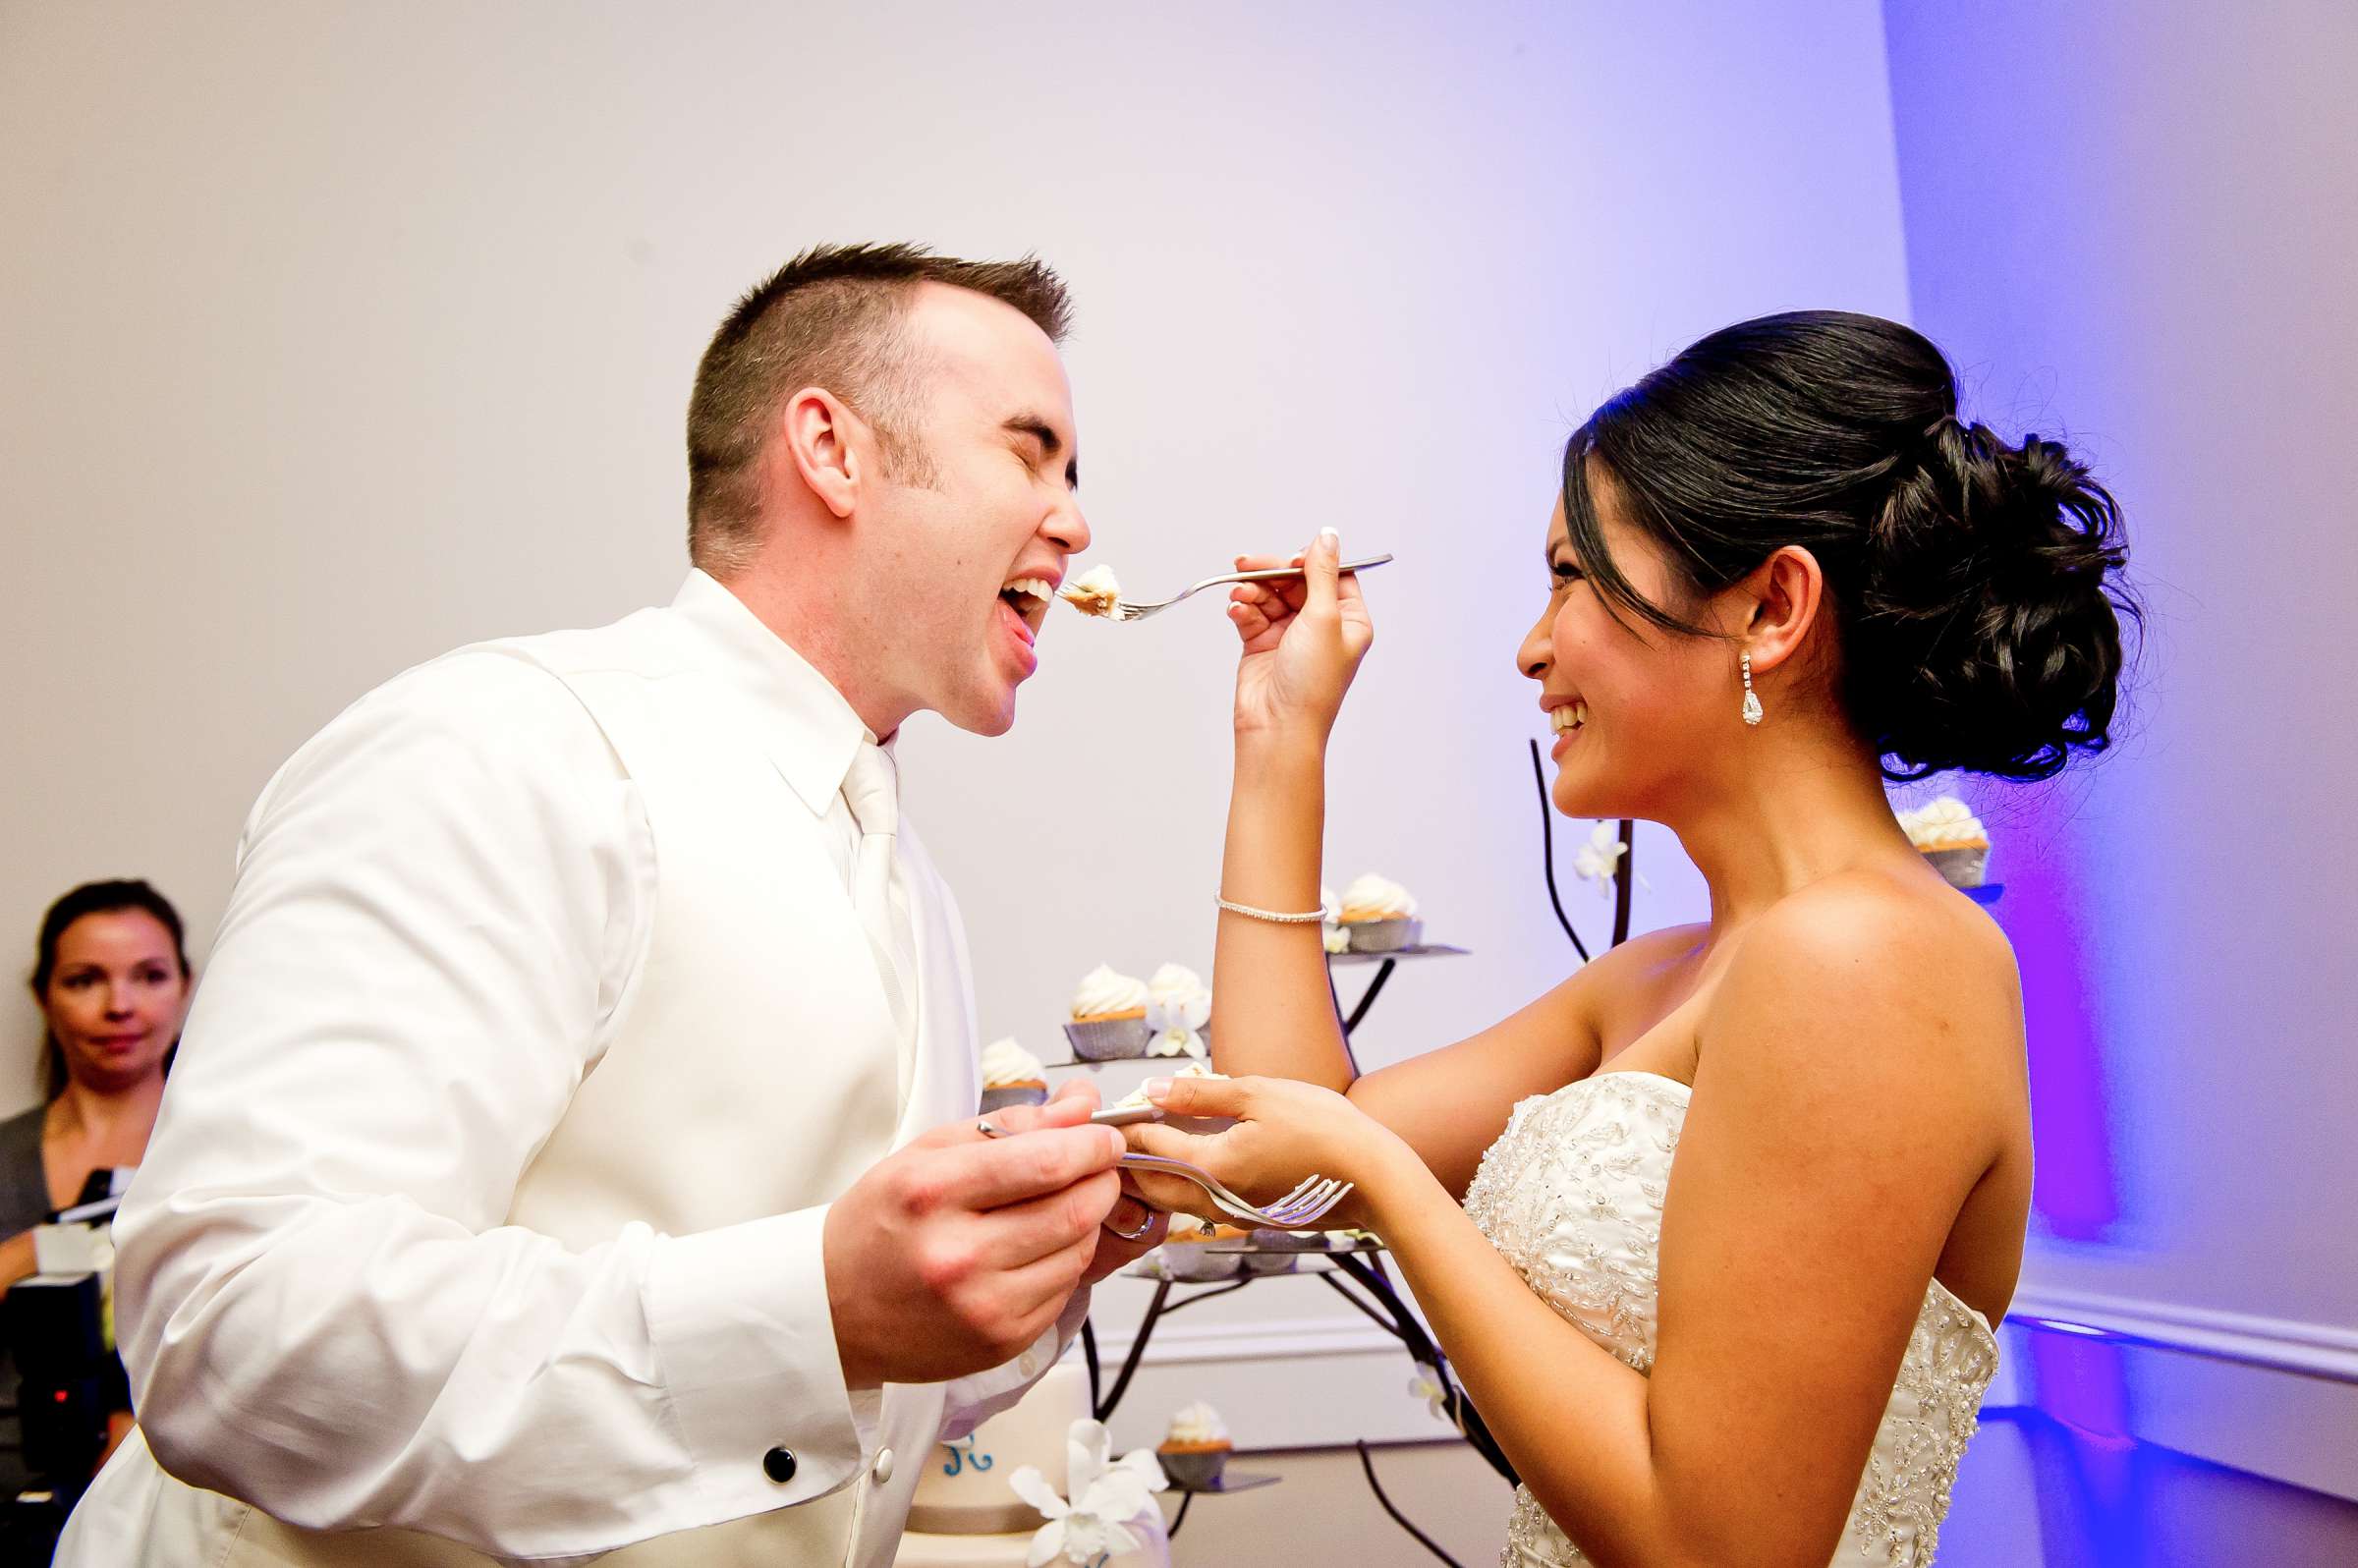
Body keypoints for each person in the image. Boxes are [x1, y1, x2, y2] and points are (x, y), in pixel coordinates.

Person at [58, 244, 1168, 1568]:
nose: (1076, 521)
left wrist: (1008, 1285)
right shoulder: (502, 747)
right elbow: (228, 1336)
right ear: (831, 448)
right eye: (1031, 450)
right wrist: (818, 1307)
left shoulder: (906, 878)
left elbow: (791, 1422)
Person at [1129, 312, 2135, 1566]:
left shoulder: (1873, 962)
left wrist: (1394, 1187)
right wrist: (1281, 740)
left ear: (1771, 607)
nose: (1532, 648)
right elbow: (1273, 1140)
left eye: (1569, 575)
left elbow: (1720, 1549)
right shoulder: (1656, 975)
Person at [2, 879, 192, 1487]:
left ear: (186, 988)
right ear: (43, 995)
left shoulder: (233, 1155)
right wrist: (30, 1254)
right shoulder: (6, 1157)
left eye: (150, 976)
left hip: (175, 1501)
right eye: (85, 979)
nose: (120, 1006)